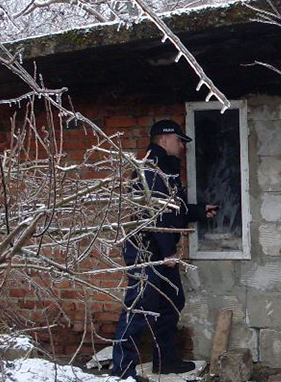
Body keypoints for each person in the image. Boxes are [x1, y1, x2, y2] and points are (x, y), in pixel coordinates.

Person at [112, 119, 219, 380]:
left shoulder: (166, 168)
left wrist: (197, 210)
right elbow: (153, 215)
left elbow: (172, 209)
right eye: (179, 141)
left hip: (159, 249)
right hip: (146, 252)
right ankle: (122, 371)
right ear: (164, 140)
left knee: (172, 302)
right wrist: (168, 252)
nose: (182, 146)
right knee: (140, 308)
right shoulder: (150, 169)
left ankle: (165, 361)